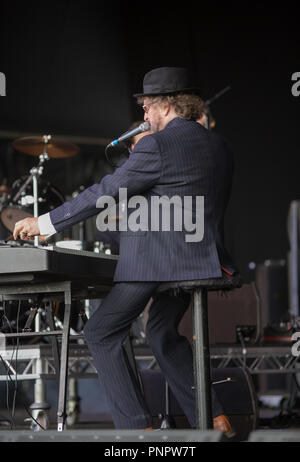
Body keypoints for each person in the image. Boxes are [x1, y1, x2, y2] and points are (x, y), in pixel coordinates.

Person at [13, 67, 236, 434]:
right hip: (205, 259)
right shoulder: (218, 145)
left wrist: (45, 223)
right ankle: (216, 417)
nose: (144, 114)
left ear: (165, 104)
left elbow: (108, 190)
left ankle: (137, 431)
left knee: (100, 330)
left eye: (147, 105)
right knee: (162, 333)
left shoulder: (157, 143)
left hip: (161, 262)